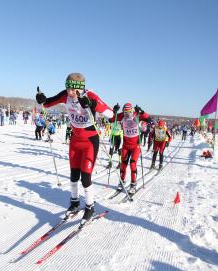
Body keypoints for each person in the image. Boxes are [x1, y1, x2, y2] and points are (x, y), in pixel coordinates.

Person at [35, 72, 113, 225]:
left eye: (72, 90)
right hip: (75, 140)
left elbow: (110, 113)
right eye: (67, 88)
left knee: (85, 177)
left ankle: (90, 207)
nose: (69, 93)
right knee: (73, 175)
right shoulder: (66, 95)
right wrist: (41, 100)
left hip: (90, 141)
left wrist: (91, 104)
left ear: (79, 88)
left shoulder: (90, 95)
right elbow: (48, 103)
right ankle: (74, 203)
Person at [110, 102, 150, 193]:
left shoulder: (137, 115)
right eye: (125, 111)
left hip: (135, 146)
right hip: (126, 145)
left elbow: (149, 119)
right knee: (123, 164)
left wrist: (142, 111)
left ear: (132, 110)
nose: (127, 114)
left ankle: (133, 183)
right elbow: (111, 120)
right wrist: (114, 111)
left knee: (132, 164)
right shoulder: (122, 116)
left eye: (129, 111)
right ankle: (122, 181)